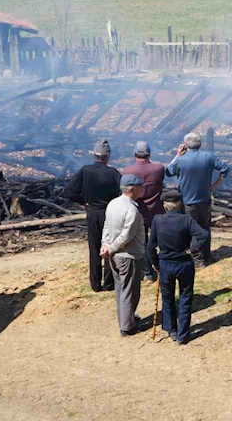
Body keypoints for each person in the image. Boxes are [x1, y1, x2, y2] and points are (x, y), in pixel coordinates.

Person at [147, 190, 209, 345]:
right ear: (180, 204)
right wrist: (192, 249)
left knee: (168, 298)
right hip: (184, 263)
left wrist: (155, 264)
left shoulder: (157, 220)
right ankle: (182, 335)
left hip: (165, 264)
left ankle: (172, 330)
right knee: (185, 298)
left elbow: (150, 246)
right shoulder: (186, 219)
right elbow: (203, 234)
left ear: (164, 205)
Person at [165, 132, 230, 268]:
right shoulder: (209, 156)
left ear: (185, 145)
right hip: (205, 199)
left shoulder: (181, 160)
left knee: (192, 230)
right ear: (200, 144)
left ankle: (198, 260)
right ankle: (207, 256)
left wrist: (177, 155)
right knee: (205, 228)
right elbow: (225, 168)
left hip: (187, 201)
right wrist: (215, 185)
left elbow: (168, 172)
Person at [65, 138, 122, 292]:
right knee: (109, 246)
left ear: (94, 155)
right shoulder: (113, 173)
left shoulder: (85, 171)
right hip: (109, 214)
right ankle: (109, 283)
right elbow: (122, 192)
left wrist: (83, 201)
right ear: (108, 156)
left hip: (92, 213)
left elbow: (69, 191)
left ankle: (95, 284)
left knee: (94, 247)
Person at [101, 174, 145, 336]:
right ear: (132, 189)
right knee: (130, 291)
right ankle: (127, 327)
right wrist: (111, 248)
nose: (142, 190)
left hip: (114, 255)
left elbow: (106, 226)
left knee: (121, 289)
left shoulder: (113, 203)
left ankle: (126, 318)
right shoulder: (132, 210)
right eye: (140, 187)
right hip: (128, 255)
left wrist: (105, 245)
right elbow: (127, 236)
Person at [123, 141, 165, 282]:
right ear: (149, 154)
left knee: (142, 243)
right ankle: (162, 268)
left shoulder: (127, 171)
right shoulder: (158, 169)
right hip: (156, 211)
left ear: (134, 153)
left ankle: (148, 273)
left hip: (138, 212)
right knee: (160, 241)